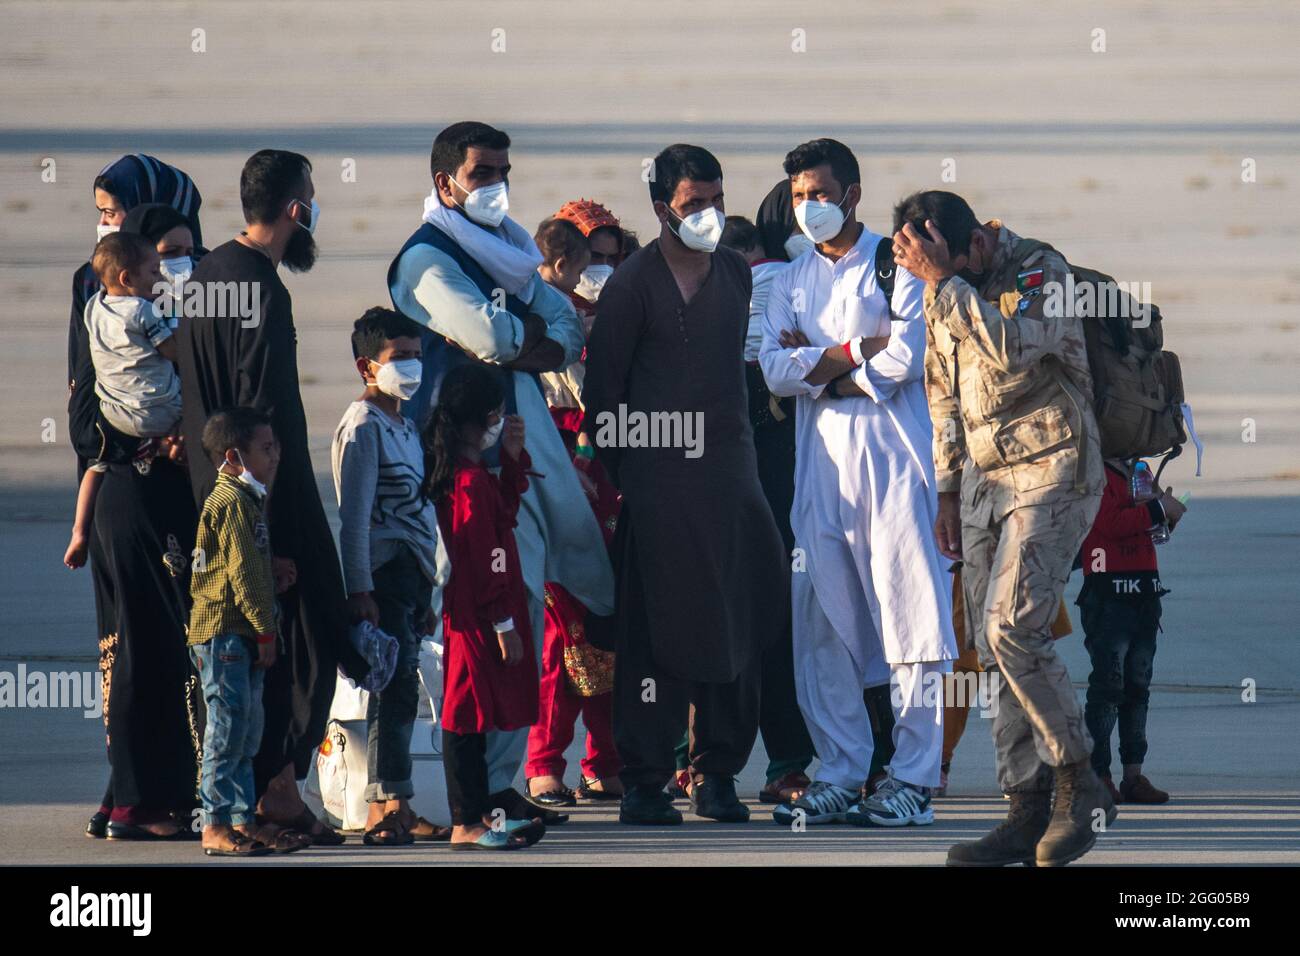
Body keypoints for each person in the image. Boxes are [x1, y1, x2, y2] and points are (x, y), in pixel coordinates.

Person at [388, 121, 614, 826]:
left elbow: (564, 330)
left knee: (522, 618)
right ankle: (465, 799)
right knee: (478, 637)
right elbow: (493, 337)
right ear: (444, 182)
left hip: (517, 465)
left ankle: (499, 784)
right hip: (457, 480)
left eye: (502, 171)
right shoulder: (426, 261)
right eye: (481, 173)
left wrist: (525, 343)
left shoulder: (511, 247)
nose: (495, 185)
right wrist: (526, 342)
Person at [892, 189, 1116, 866]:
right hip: (986, 484)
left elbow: (1012, 348)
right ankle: (1025, 805)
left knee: (1013, 626)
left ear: (975, 246)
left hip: (1055, 467)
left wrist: (945, 283)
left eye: (936, 258)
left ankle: (1081, 780)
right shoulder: (944, 288)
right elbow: (943, 396)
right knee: (990, 653)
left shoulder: (1038, 272)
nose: (927, 272)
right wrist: (948, 493)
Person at [583, 143, 787, 825]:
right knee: (654, 638)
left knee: (737, 625)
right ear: (660, 208)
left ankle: (718, 775)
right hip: (658, 489)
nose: (708, 214)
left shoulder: (735, 271)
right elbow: (603, 401)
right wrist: (641, 474)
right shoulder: (633, 285)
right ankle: (645, 781)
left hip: (732, 480)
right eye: (693, 204)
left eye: (715, 200)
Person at [760, 139, 958, 828]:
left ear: (851, 194)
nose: (809, 206)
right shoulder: (788, 278)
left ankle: (912, 777)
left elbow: (905, 355)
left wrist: (820, 368)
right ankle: (842, 768)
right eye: (798, 195)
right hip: (819, 467)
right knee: (821, 621)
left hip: (896, 464)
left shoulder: (891, 263)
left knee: (912, 619)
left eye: (819, 192)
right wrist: (851, 356)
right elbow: (773, 370)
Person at [175, 148, 368, 846]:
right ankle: (273, 789)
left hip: (214, 493)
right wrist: (271, 532)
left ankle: (275, 793)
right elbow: (257, 410)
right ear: (295, 208)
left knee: (259, 648)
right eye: (311, 196)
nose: (313, 208)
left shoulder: (204, 275)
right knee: (306, 632)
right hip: (265, 499)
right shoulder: (260, 286)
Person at [66, 156, 204, 840]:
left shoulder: (207, 281)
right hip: (130, 478)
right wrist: (134, 448)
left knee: (165, 647)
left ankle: (148, 792)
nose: (109, 223)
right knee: (133, 648)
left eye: (118, 211)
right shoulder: (96, 289)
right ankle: (132, 794)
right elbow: (84, 398)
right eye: (105, 212)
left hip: (183, 480)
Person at [331, 307, 450, 845]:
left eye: (416, 356)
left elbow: (420, 513)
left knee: (402, 691)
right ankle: (382, 805)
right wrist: (360, 591)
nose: (410, 367)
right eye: (397, 358)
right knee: (391, 689)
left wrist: (428, 588)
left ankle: (399, 800)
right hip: (380, 575)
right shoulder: (362, 428)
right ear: (366, 366)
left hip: (411, 577)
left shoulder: (404, 424)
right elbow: (353, 519)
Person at [522, 216, 623, 805]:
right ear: (564, 262)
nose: (600, 275)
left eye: (611, 260)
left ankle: (604, 760)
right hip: (553, 479)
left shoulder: (615, 322)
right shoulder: (536, 321)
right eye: (591, 262)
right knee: (561, 636)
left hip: (609, 483)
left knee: (610, 629)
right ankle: (543, 763)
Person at [425, 364, 546, 850]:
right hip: (478, 618)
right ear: (489, 415)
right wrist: (503, 621)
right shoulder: (470, 481)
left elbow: (500, 520)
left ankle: (475, 816)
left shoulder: (468, 474)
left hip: (472, 615)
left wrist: (513, 462)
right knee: (463, 719)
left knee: (469, 718)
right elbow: (485, 554)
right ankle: (466, 821)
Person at [718, 211, 815, 805]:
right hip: (772, 474)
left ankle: (705, 768)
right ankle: (782, 765)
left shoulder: (713, 287)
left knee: (728, 620)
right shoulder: (795, 280)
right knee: (779, 625)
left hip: (740, 471)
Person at [188, 408, 299, 857]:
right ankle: (214, 824)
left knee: (246, 731)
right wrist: (266, 630)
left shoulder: (246, 498)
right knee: (227, 728)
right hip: (226, 634)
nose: (276, 456)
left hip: (240, 633)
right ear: (234, 455)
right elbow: (244, 575)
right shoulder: (233, 502)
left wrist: (274, 574)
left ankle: (241, 819)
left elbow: (250, 566)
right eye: (266, 448)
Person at [64, 233, 179, 570]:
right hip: (156, 410)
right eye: (154, 272)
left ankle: (79, 530)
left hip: (113, 414)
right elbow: (170, 352)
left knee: (97, 466)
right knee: (197, 418)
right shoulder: (143, 310)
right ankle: (155, 448)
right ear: (128, 279)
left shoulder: (93, 308)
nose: (159, 278)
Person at [1078, 458, 1187, 805]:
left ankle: (1133, 774)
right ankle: (1098, 775)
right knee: (1108, 686)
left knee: (1137, 686)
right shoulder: (1092, 469)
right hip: (1108, 593)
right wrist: (1158, 508)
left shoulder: (1139, 471)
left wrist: (1166, 517)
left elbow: (1152, 530)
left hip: (1144, 591)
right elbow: (1108, 522)